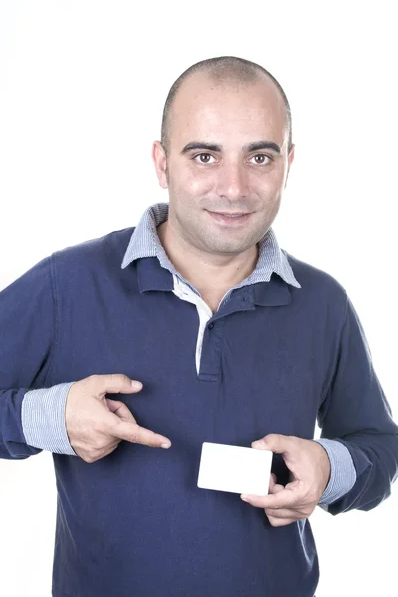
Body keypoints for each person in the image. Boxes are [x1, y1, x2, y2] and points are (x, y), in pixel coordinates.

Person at [0, 55, 397, 597]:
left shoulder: (323, 303)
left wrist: (330, 468)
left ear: (289, 162)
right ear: (163, 163)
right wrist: (46, 418)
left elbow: (379, 446)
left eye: (260, 156)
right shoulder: (65, 285)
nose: (233, 188)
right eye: (205, 155)